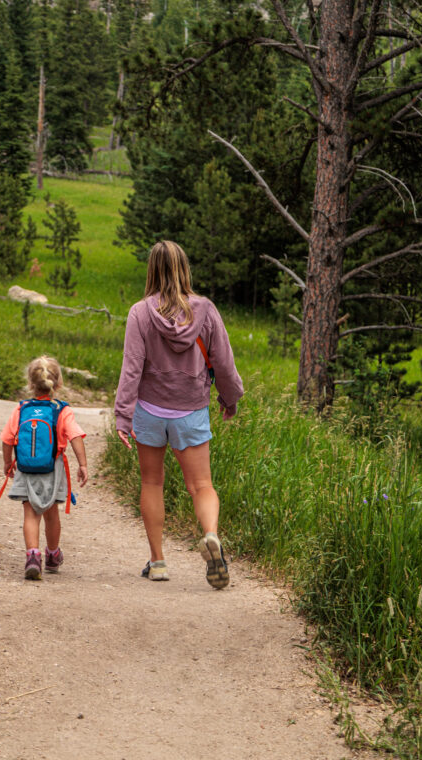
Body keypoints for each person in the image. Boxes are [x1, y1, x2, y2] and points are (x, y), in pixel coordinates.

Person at [115, 240, 243, 588]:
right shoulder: (205, 309)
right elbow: (224, 363)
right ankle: (211, 535)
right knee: (201, 485)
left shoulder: (140, 313)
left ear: (151, 270)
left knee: (152, 482)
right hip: (191, 412)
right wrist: (229, 397)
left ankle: (157, 562)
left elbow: (132, 368)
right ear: (184, 268)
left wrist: (123, 415)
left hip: (150, 411)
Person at [0, 355, 88, 580]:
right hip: (53, 468)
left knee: (30, 514)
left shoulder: (22, 409)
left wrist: (8, 463)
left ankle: (32, 556)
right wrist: (83, 464)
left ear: (30, 384)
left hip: (27, 467)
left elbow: (8, 438)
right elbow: (75, 436)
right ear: (58, 384)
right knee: (51, 514)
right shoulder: (61, 410)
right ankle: (52, 554)